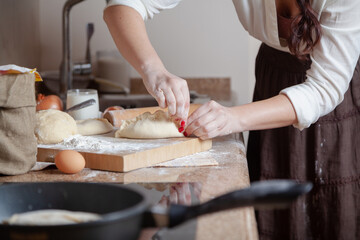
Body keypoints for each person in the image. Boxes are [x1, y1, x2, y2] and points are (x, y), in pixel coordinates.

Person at [103, 0, 360, 239]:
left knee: (330, 211)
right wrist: (154, 70)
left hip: (335, 101)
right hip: (272, 84)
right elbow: (123, 5)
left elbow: (326, 87)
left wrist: (233, 118)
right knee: (274, 213)